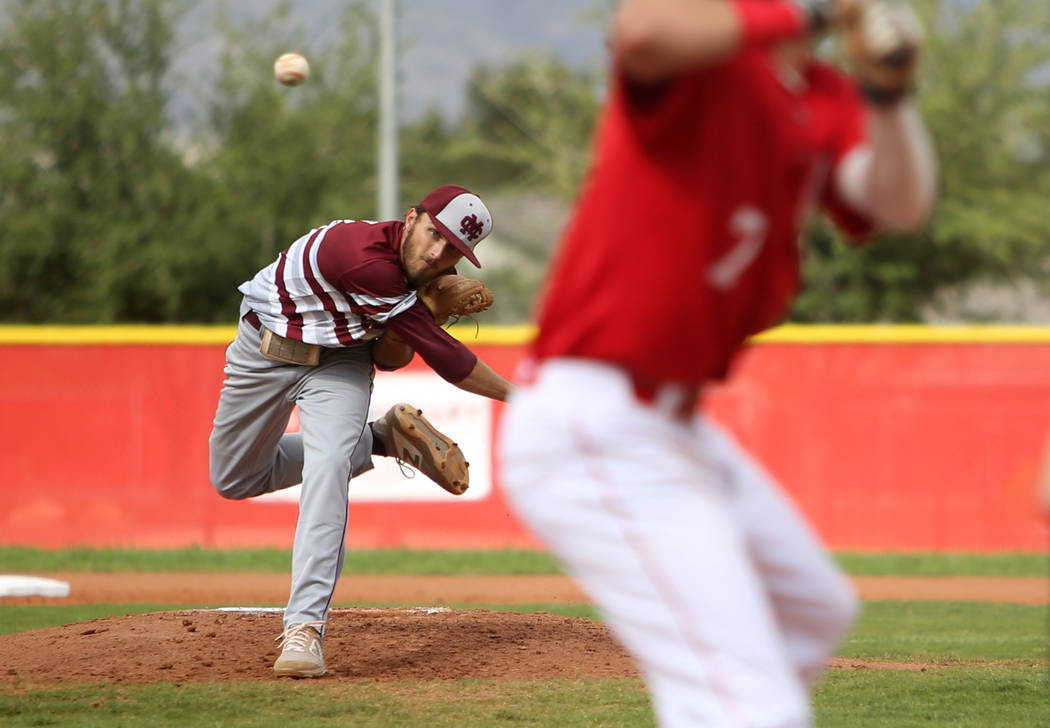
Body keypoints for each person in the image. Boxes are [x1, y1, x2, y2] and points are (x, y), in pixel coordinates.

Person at [498, 1, 936, 726]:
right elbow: (638, 33)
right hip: (593, 419)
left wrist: (887, 95)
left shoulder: (823, 95)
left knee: (811, 608)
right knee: (749, 704)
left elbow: (901, 203)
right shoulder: (710, 66)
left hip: (674, 426)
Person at [209, 184, 512, 678]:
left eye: (453, 250)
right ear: (411, 218)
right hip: (263, 351)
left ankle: (304, 628)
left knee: (328, 467)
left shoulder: (420, 280)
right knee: (234, 478)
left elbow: (392, 359)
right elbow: (448, 359)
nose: (437, 254)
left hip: (339, 368)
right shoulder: (360, 255)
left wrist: (412, 323)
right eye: (434, 234)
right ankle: (380, 439)